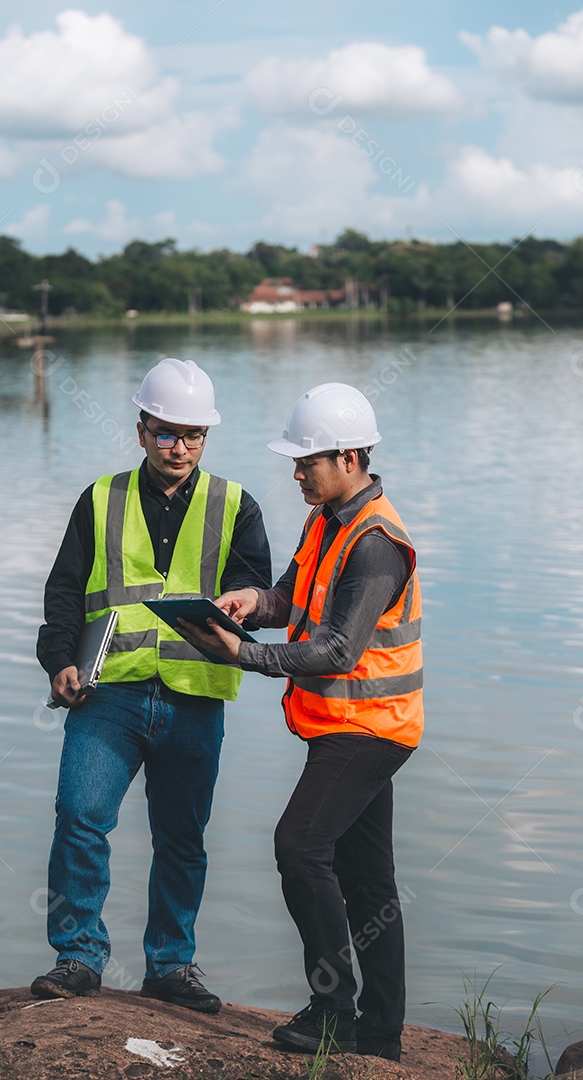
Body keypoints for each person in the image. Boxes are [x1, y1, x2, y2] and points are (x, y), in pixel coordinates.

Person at [180, 382, 423, 1060]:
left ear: (349, 458)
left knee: (299, 846)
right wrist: (250, 602)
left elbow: (339, 650)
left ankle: (333, 1012)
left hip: (370, 728)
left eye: (305, 461)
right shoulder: (328, 519)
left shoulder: (376, 543)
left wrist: (242, 654)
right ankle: (380, 1036)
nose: (295, 473)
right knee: (367, 880)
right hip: (346, 724)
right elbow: (291, 596)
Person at [31, 357, 272, 1013]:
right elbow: (63, 595)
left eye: (193, 435)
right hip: (107, 696)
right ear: (141, 431)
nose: (179, 447)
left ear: (206, 436)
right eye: (166, 432)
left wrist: (247, 600)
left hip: (195, 698)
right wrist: (59, 661)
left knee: (182, 839)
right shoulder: (100, 499)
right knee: (80, 818)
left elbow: (261, 594)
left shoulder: (236, 505)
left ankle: (170, 966)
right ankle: (79, 957)